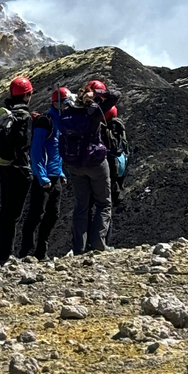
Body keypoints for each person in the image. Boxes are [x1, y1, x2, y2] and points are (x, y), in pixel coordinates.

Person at [58, 80, 120, 255]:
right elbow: (116, 95)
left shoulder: (68, 111)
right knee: (103, 203)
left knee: (81, 206)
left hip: (74, 164)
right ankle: (99, 244)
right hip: (95, 163)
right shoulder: (93, 112)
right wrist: (100, 94)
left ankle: (79, 247)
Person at [19, 87, 72, 260]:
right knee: (36, 214)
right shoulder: (45, 121)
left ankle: (41, 251)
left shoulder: (61, 121)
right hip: (43, 178)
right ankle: (26, 252)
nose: (68, 105)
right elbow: (36, 151)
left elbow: (57, 151)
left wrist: (61, 173)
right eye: (65, 102)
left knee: (53, 214)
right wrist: (42, 176)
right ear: (57, 103)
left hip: (55, 176)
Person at [0, 76, 33, 264]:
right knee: (13, 214)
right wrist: (27, 171)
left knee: (5, 210)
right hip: (18, 170)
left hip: (4, 166)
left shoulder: (7, 114)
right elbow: (22, 147)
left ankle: (3, 253)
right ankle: (6, 256)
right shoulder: (24, 117)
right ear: (26, 96)